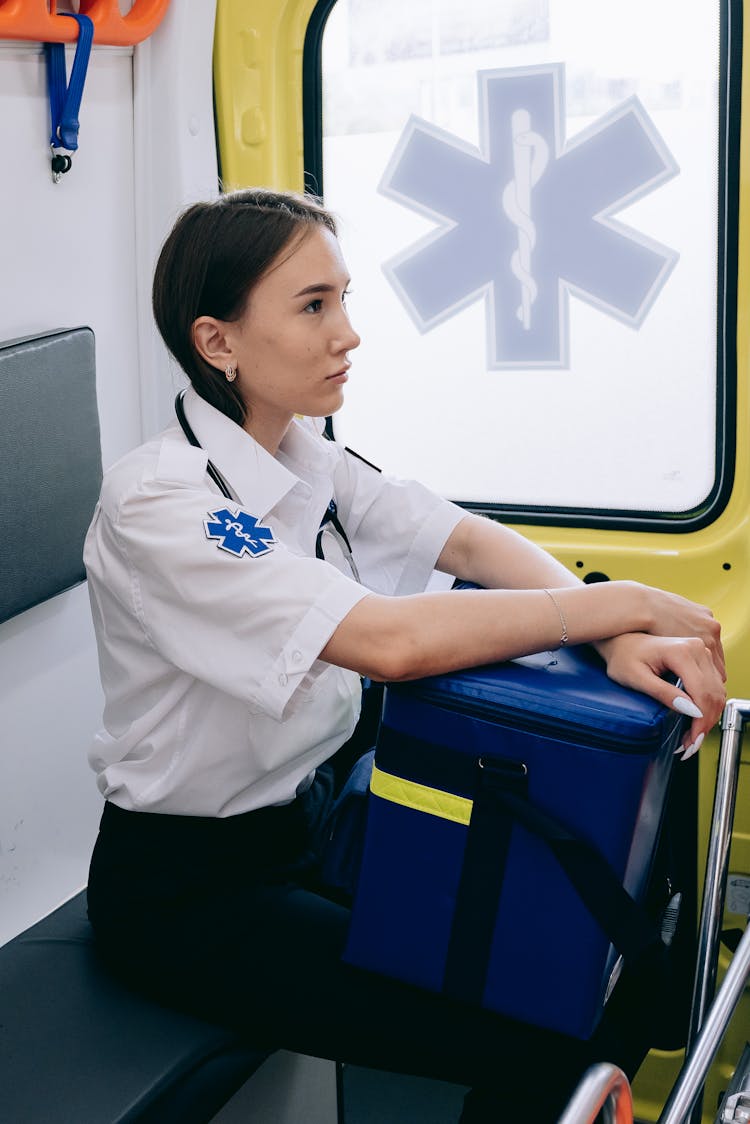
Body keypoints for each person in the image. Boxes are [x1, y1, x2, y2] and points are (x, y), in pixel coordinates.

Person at [84, 188, 725, 1122]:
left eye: (343, 299)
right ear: (218, 343)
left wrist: (611, 629)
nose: (348, 333)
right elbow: (387, 643)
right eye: (313, 306)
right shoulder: (163, 503)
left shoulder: (307, 457)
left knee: (598, 958)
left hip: (315, 825)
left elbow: (460, 539)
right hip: (191, 896)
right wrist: (614, 601)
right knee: (548, 1033)